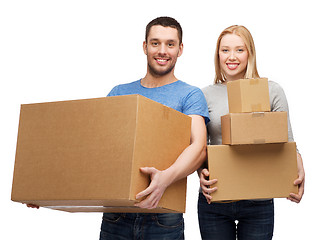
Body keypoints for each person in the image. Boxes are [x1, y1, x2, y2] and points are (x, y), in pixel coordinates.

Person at [99, 17, 209, 240]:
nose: (162, 51)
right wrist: (48, 193)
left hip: (164, 216)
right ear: (144, 46)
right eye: (155, 43)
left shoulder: (190, 95)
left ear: (180, 49)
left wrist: (164, 180)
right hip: (116, 214)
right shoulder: (119, 92)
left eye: (170, 44)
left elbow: (199, 148)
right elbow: (95, 149)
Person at [198, 25, 305, 240]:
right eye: (225, 50)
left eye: (240, 50)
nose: (232, 57)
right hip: (217, 196)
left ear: (250, 53)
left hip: (258, 198)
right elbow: (199, 145)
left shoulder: (271, 90)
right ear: (217, 54)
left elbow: (287, 140)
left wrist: (299, 169)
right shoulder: (205, 94)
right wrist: (200, 171)